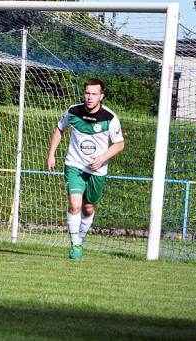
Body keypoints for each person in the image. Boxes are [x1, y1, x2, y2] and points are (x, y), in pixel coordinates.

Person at [46, 78, 125, 260]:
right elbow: (59, 130)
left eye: (94, 94)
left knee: (88, 208)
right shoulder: (73, 111)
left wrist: (102, 158)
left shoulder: (110, 118)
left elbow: (119, 144)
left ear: (101, 96)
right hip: (74, 165)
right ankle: (75, 245)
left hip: (97, 171)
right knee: (75, 205)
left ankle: (80, 240)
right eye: (87, 93)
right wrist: (51, 154)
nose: (89, 97)